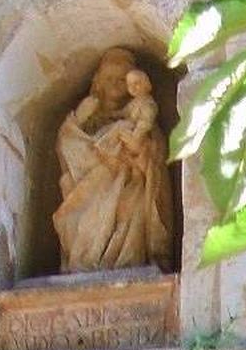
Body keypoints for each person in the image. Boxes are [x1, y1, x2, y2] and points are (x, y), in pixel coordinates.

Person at [54, 48, 175, 275]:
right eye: (109, 78)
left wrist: (140, 151)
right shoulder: (88, 115)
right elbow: (66, 143)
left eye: (122, 79)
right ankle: (84, 261)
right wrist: (82, 126)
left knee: (130, 208)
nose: (115, 84)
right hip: (90, 190)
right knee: (80, 223)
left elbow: (155, 154)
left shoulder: (139, 114)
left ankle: (127, 263)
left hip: (130, 189)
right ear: (97, 81)